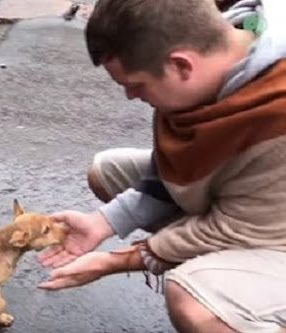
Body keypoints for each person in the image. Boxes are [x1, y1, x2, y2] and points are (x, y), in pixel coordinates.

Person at [36, 0, 286, 332]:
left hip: (266, 225)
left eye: (136, 84)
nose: (129, 95)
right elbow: (172, 167)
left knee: (193, 301)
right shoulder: (225, 44)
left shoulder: (275, 114)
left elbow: (235, 227)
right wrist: (104, 222)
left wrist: (120, 260)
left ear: (182, 65)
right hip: (259, 204)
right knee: (105, 172)